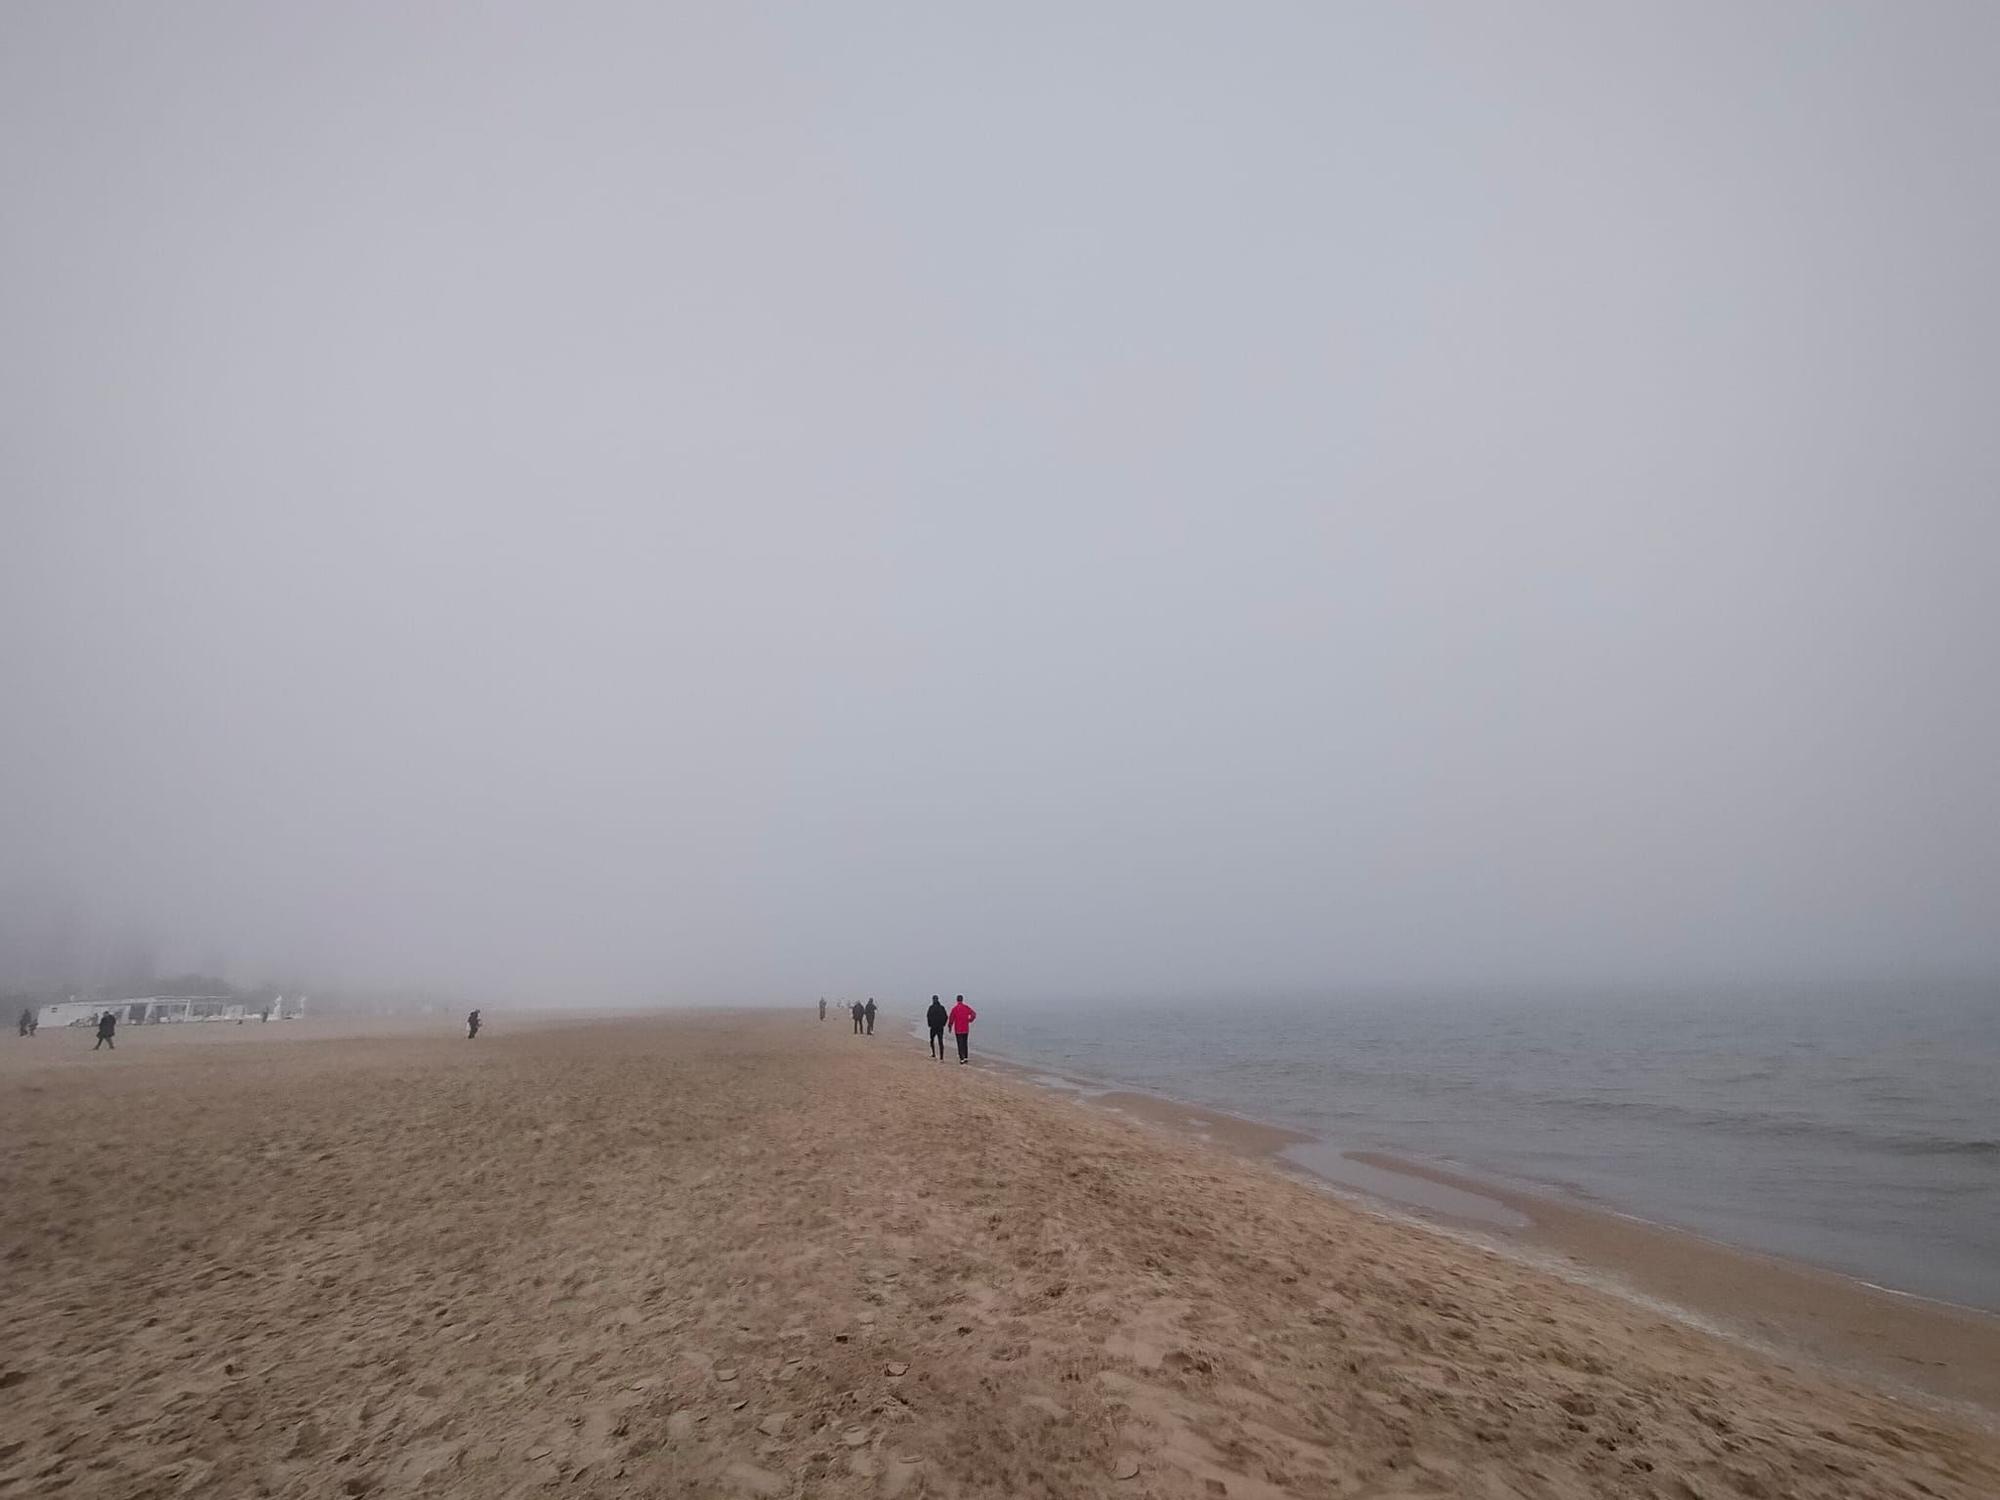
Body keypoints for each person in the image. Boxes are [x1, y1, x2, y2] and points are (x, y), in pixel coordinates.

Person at [948, 995, 976, 1064]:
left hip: (958, 1029)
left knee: (959, 1043)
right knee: (965, 1043)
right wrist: (970, 1020)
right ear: (962, 1000)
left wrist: (950, 1026)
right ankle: (966, 1057)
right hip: (965, 1028)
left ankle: (962, 1058)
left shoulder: (955, 1009)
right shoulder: (966, 1007)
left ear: (957, 1000)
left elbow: (951, 1018)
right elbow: (973, 1014)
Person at [925, 995, 948, 1060]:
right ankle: (941, 1057)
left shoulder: (931, 1008)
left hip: (934, 1027)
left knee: (932, 1040)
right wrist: (943, 1024)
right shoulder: (941, 1008)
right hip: (939, 1027)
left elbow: (928, 1016)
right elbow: (946, 1017)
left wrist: (929, 1024)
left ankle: (934, 1054)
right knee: (940, 1041)